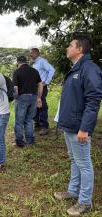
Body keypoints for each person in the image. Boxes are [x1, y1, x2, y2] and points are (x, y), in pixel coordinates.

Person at [54, 35, 102, 216]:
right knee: (74, 160)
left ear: (79, 49)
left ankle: (85, 202)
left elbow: (94, 100)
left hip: (79, 126)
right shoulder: (75, 69)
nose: (67, 48)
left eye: (70, 45)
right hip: (70, 125)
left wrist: (85, 128)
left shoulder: (89, 69)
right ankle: (73, 191)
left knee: (84, 164)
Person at [13, 56, 43, 147]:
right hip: (33, 97)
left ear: (18, 63)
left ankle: (20, 142)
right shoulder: (35, 71)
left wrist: (15, 98)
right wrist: (39, 98)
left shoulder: (17, 72)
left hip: (22, 98)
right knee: (29, 120)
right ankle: (30, 141)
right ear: (26, 62)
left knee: (19, 121)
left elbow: (15, 88)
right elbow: (40, 85)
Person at [30, 48, 55, 135]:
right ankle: (38, 125)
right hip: (36, 87)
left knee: (42, 106)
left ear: (36, 53)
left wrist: (46, 82)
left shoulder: (42, 61)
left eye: (32, 53)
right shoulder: (35, 64)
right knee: (36, 106)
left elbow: (52, 70)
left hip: (42, 87)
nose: (30, 55)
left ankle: (45, 127)